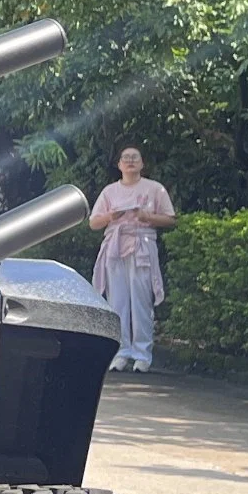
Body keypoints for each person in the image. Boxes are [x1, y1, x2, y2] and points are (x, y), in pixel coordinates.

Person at [89, 146, 177, 371]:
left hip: (142, 246)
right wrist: (112, 216)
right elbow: (94, 222)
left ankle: (142, 354)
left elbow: (170, 219)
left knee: (141, 301)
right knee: (116, 301)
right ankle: (120, 351)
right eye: (125, 158)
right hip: (115, 247)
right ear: (119, 165)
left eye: (134, 158)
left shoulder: (155, 189)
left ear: (141, 163)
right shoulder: (109, 192)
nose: (129, 161)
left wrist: (146, 216)